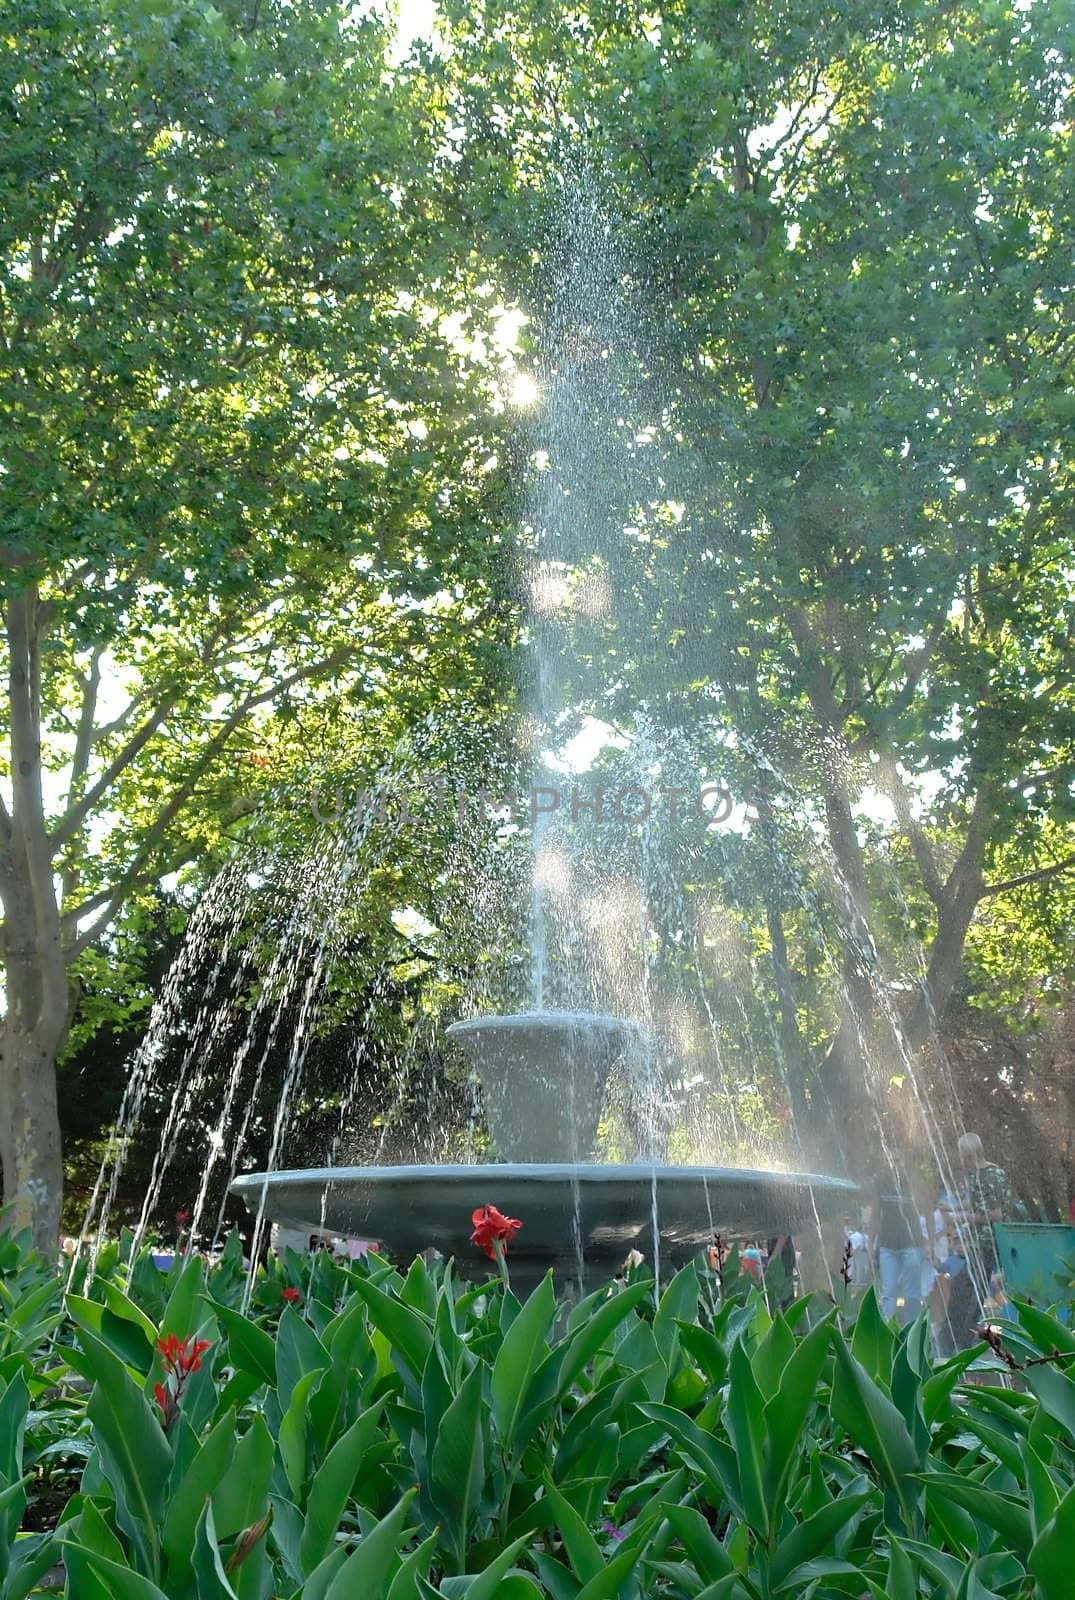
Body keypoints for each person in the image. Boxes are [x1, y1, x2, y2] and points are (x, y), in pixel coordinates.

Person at [943, 1131, 1017, 1348]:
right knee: (968, 1288)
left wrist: (966, 1218)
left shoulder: (988, 1175)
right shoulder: (989, 1173)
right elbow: (978, 1203)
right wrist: (951, 1209)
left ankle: (958, 1341)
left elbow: (998, 1214)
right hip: (984, 1242)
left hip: (989, 1242)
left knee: (971, 1290)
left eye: (961, 1154)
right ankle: (956, 1338)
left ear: (966, 1153)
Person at [874, 1172, 925, 1325]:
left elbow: (927, 1210)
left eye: (898, 1159)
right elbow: (875, 1215)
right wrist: (871, 1244)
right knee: (888, 1292)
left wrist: (930, 1244)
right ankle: (888, 1330)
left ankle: (912, 1329)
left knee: (912, 1295)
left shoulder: (912, 1181)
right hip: (887, 1246)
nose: (895, 1164)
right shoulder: (882, 1182)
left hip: (911, 1245)